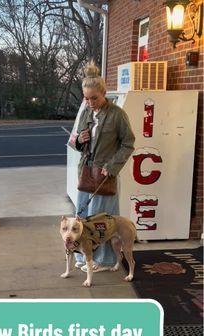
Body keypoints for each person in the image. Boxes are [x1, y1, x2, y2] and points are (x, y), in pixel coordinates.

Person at [74, 60, 135, 272]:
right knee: (83, 218)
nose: (90, 102)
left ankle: (105, 259)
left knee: (102, 221)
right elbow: (78, 144)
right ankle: (85, 255)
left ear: (104, 93)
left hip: (105, 173)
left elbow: (129, 143)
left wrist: (112, 165)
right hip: (86, 171)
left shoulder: (117, 114)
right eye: (86, 98)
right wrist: (81, 140)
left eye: (94, 98)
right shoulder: (86, 112)